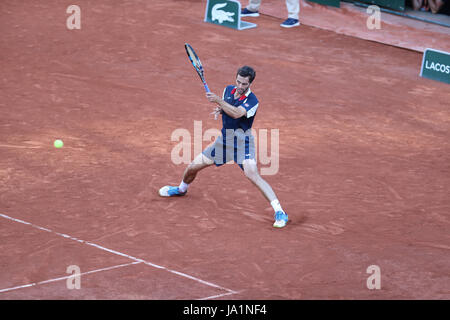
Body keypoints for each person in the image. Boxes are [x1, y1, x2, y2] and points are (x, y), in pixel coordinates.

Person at [159, 66, 289, 228]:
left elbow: (236, 113)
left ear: (250, 84)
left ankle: (280, 212)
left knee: (252, 174)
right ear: (235, 78)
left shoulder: (253, 101)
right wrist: (220, 110)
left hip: (243, 143)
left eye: (245, 84)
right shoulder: (228, 90)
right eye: (239, 82)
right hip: (224, 142)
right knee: (193, 166)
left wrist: (218, 101)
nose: (241, 87)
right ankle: (181, 189)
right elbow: (228, 108)